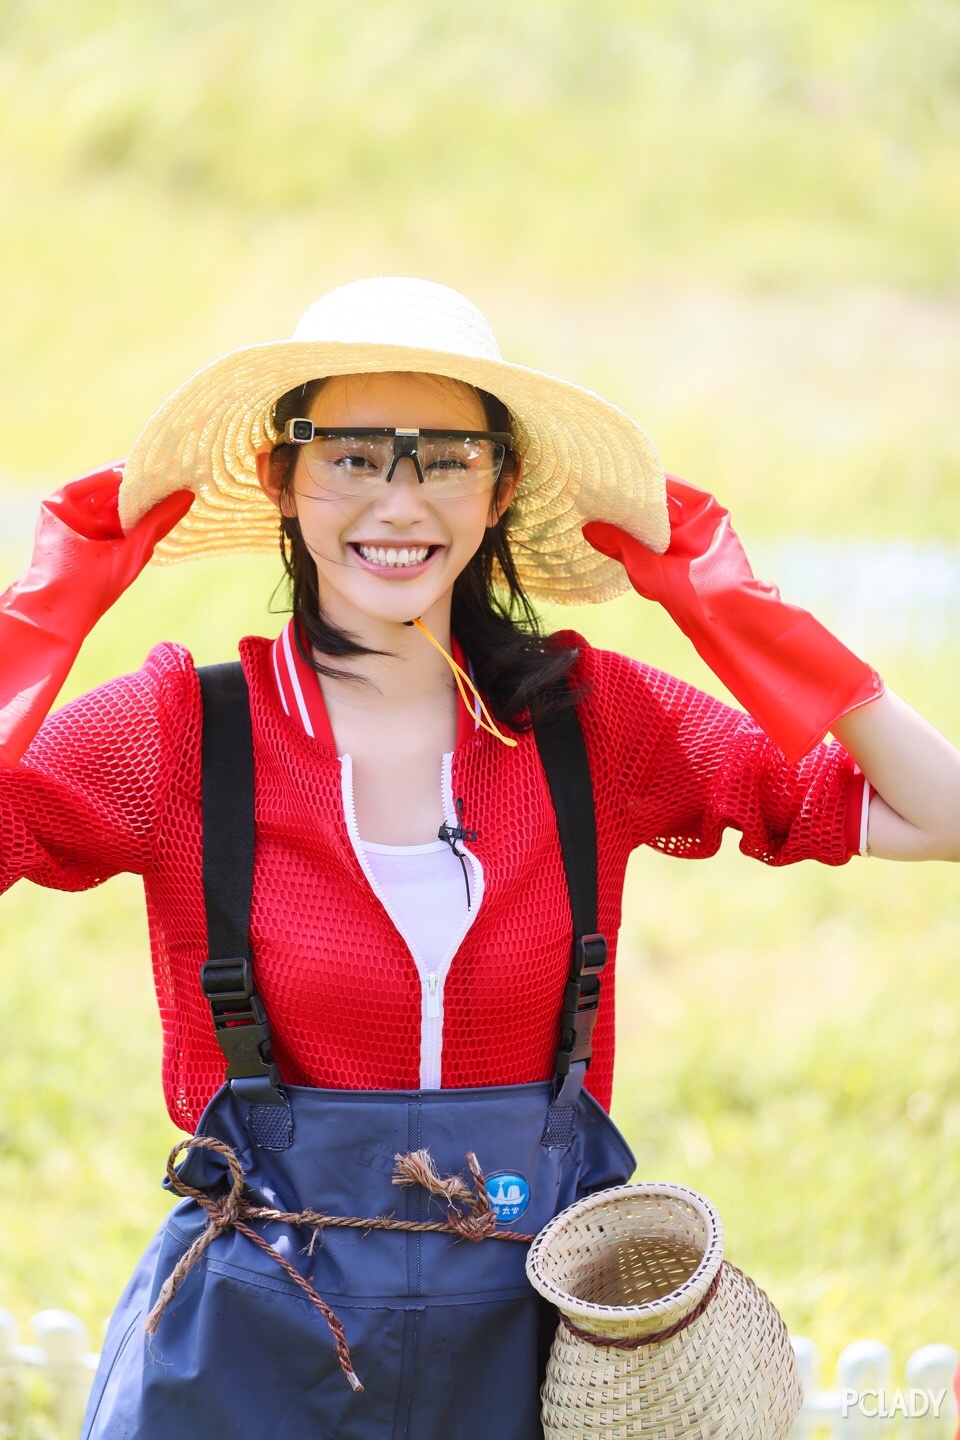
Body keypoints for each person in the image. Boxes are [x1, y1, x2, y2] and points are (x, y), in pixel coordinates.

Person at [1, 277, 958, 1440]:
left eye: (443, 457)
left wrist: (746, 621)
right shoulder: (185, 734)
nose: (397, 502)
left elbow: (936, 813)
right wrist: (40, 624)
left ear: (499, 486)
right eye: (350, 454)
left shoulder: (589, 721)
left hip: (534, 1347)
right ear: (280, 479)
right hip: (249, 1351)